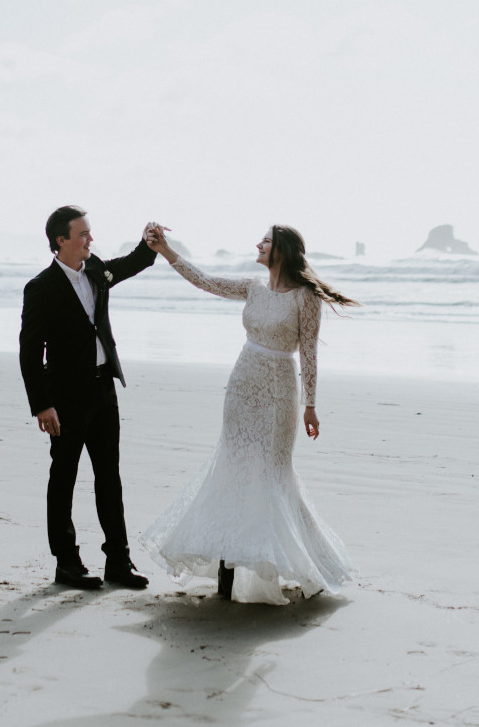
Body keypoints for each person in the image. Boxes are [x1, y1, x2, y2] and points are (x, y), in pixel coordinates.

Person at [141, 223, 356, 604]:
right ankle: (226, 568)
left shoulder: (306, 297)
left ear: (283, 251)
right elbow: (205, 281)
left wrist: (310, 405)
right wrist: (166, 251)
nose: (258, 244)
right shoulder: (251, 288)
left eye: (266, 241)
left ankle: (293, 562)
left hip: (278, 390)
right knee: (235, 466)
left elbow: (309, 353)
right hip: (242, 384)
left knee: (272, 472)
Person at [19, 205, 159, 590]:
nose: (90, 240)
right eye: (82, 235)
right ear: (60, 241)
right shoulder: (41, 288)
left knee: (109, 478)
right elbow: (30, 352)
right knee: (63, 478)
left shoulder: (97, 272)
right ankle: (67, 563)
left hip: (103, 390)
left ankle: (119, 562)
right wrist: (42, 404)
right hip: (65, 399)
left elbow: (130, 264)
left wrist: (148, 244)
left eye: (89, 233)